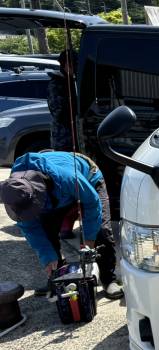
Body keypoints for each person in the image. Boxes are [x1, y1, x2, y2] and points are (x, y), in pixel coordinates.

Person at [0, 151, 124, 300]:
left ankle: (108, 279)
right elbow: (30, 228)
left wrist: (90, 238)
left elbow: (92, 203)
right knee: (47, 235)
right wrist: (48, 256)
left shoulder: (67, 178)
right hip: (55, 197)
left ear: (38, 193)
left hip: (89, 179)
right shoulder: (16, 194)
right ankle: (58, 278)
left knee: (101, 231)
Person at [47, 48, 80, 239]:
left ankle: (70, 222)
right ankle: (64, 226)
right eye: (73, 64)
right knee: (67, 183)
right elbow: (59, 112)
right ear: (65, 64)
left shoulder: (73, 82)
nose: (75, 68)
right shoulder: (57, 84)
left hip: (78, 140)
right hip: (65, 142)